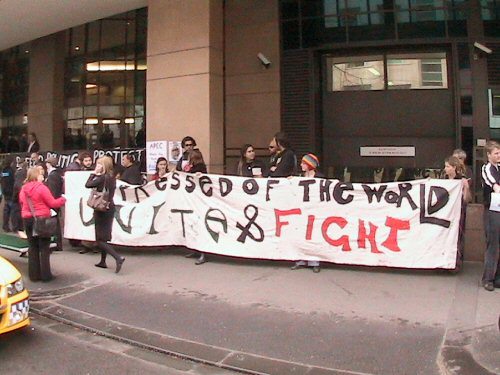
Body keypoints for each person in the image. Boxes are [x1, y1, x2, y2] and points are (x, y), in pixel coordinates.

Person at [19, 167, 66, 281]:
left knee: (32, 246)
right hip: (42, 220)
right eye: (41, 175)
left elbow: (21, 202)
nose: (43, 177)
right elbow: (52, 203)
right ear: (36, 176)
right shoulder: (42, 188)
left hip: (27, 219)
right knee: (44, 247)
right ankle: (46, 275)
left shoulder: (23, 189)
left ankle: (34, 275)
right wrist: (63, 199)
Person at [85, 156, 125, 273]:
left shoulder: (102, 178)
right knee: (104, 237)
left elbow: (88, 184)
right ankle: (103, 261)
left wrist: (93, 173)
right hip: (109, 207)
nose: (97, 166)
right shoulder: (112, 177)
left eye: (99, 164)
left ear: (104, 166)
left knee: (99, 239)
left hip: (101, 208)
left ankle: (118, 257)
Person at [291, 153, 323, 273]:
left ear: (310, 165)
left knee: (314, 235)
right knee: (300, 235)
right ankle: (301, 259)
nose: (301, 165)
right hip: (302, 211)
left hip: (315, 211)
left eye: (304, 163)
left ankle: (315, 261)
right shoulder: (299, 176)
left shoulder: (320, 177)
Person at [443, 155, 471, 270]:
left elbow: (467, 199)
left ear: (454, 167)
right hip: (445, 213)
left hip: (458, 213)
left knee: (457, 236)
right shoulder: (443, 179)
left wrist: (466, 188)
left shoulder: (461, 179)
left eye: (448, 166)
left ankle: (456, 263)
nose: (445, 169)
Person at [480, 141, 500, 291]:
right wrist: (496, 187)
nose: (498, 156)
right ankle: (488, 278)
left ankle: (497, 278)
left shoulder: (498, 168)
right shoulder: (487, 168)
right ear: (488, 155)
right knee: (492, 244)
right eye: (496, 153)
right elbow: (493, 184)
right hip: (492, 210)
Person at [45, 157, 64, 252]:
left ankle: (57, 243)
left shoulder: (52, 175)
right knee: (55, 223)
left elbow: (53, 190)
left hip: (53, 202)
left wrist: (50, 203)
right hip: (56, 201)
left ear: (49, 164)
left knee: (54, 223)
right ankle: (57, 243)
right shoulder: (57, 174)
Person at [11, 161, 28, 236]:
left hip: (18, 194)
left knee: (16, 211)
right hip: (22, 194)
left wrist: (15, 195)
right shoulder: (26, 172)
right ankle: (20, 227)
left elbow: (17, 184)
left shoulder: (19, 172)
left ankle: (16, 227)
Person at [1, 157, 15, 232]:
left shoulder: (3, 171)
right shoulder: (10, 171)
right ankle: (13, 227)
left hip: (5, 192)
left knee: (6, 211)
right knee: (12, 210)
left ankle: (5, 226)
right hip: (10, 192)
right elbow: (11, 182)